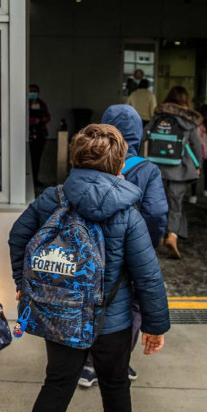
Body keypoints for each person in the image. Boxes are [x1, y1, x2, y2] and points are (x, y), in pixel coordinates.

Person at [9, 124, 170, 412]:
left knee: (57, 382)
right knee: (114, 382)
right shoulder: (128, 213)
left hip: (62, 314)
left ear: (76, 158)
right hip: (112, 321)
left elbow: (18, 237)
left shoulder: (51, 199)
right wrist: (155, 326)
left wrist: (25, 285)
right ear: (118, 164)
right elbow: (148, 276)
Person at [76, 105, 168, 388]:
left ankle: (87, 364)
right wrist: (147, 245)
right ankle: (115, 362)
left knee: (92, 298)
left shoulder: (88, 161)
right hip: (131, 246)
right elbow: (155, 212)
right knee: (133, 304)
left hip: (95, 246)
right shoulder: (148, 169)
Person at [148, 86, 203, 259]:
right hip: (180, 168)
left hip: (157, 166)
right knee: (176, 203)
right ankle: (172, 235)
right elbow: (197, 145)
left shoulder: (158, 116)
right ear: (184, 101)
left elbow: (145, 135)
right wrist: (198, 164)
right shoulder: (188, 121)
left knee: (158, 202)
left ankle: (157, 236)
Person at [28, 84, 51, 187]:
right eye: (30, 91)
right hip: (29, 134)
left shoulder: (42, 104)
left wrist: (42, 120)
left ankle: (34, 179)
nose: (32, 93)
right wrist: (33, 121)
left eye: (34, 91)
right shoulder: (26, 104)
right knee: (29, 158)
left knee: (37, 158)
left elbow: (48, 117)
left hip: (40, 134)